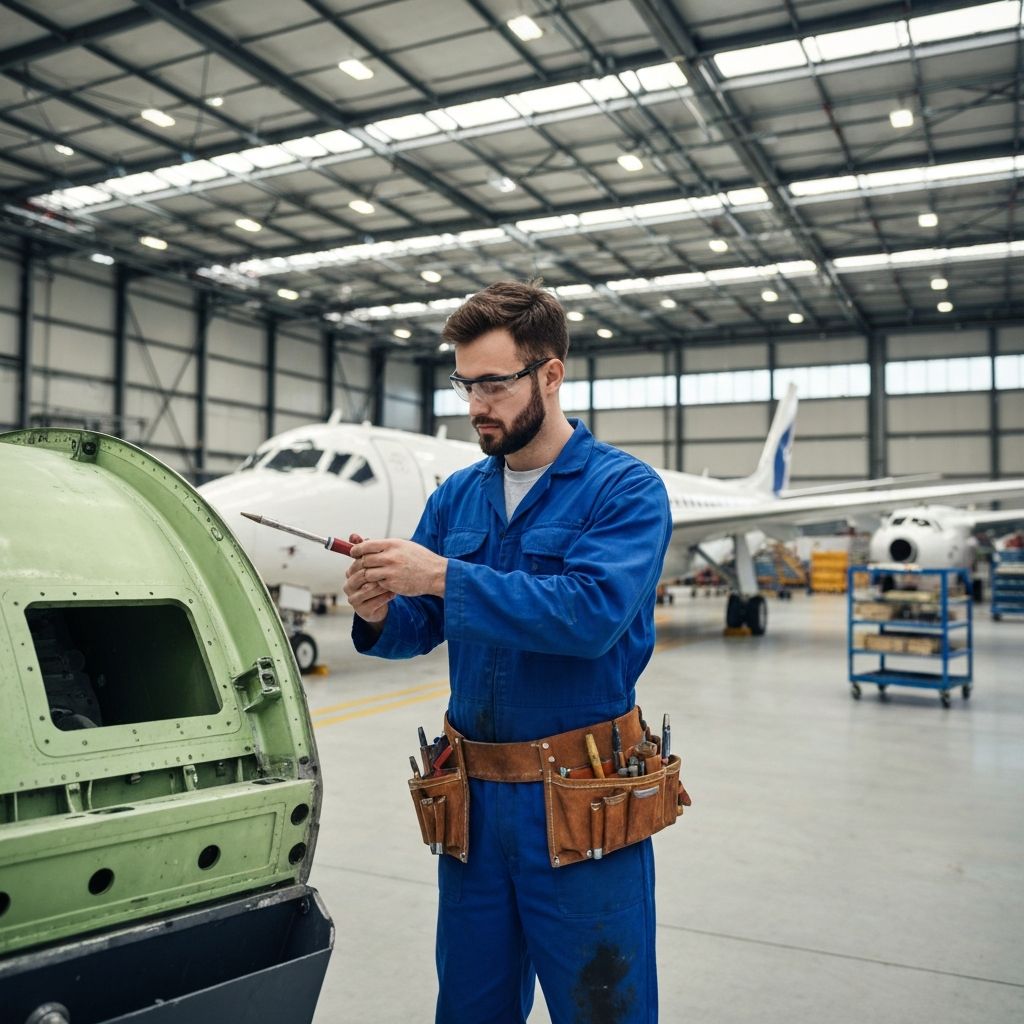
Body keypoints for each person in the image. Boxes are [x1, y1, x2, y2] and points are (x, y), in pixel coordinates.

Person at [343, 280, 673, 1024]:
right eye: (466, 384)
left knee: (604, 1008)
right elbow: (418, 627)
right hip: (474, 808)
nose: (476, 404)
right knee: (470, 1006)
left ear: (550, 375)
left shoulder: (624, 491)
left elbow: (591, 617)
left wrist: (443, 575)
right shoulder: (459, 497)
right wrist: (377, 613)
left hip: (580, 803)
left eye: (494, 383)